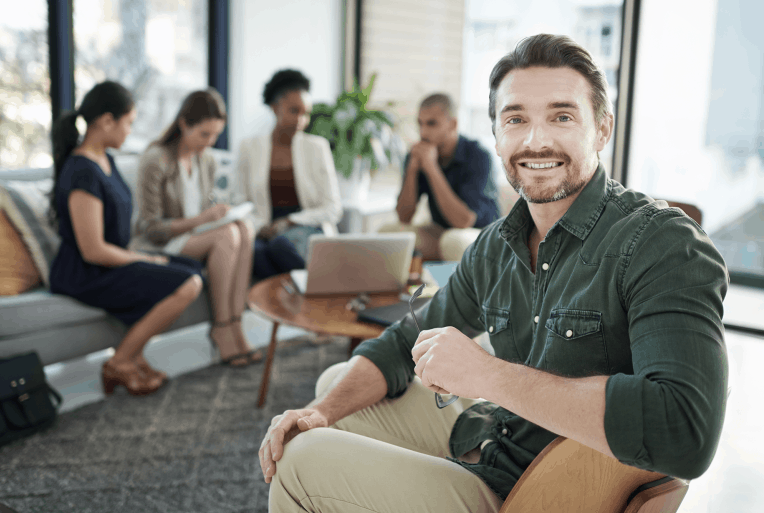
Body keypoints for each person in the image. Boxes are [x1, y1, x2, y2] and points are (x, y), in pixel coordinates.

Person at [257, 34, 730, 512]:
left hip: (530, 492)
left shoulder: (660, 243)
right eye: (516, 119)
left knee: (301, 459)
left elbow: (684, 433)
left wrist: (489, 375)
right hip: (493, 438)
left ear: (602, 129)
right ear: (498, 135)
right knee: (335, 390)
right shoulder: (497, 245)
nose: (535, 140)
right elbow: (405, 341)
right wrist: (318, 412)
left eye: (562, 116)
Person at [49, 81, 204, 396]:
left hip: (110, 261)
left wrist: (145, 257)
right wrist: (145, 259)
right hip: (85, 273)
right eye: (129, 123)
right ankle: (120, 362)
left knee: (191, 267)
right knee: (188, 283)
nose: (130, 131)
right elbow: (93, 250)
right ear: (107, 121)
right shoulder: (82, 171)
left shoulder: (106, 159)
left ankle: (134, 355)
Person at [132, 88, 262, 366]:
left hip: (197, 236)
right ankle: (222, 326)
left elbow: (205, 205)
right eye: (204, 134)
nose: (210, 142)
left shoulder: (207, 160)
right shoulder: (155, 159)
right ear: (183, 124)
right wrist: (203, 220)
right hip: (162, 242)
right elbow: (151, 228)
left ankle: (236, 324)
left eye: (215, 135)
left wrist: (218, 212)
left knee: (244, 227)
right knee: (228, 234)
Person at [236, 69, 342, 280]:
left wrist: (289, 221)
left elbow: (333, 208)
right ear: (275, 108)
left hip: (306, 228)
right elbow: (239, 202)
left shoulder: (317, 147)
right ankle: (285, 305)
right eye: (294, 111)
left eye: (306, 113)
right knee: (255, 253)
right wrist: (260, 226)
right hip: (263, 230)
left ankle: (313, 289)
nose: (301, 120)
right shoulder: (249, 148)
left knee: (280, 246)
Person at [380, 93, 501, 261]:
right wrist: (413, 169)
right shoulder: (419, 154)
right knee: (388, 234)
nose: (423, 132)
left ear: (453, 124)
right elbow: (404, 217)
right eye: (420, 123)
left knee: (452, 242)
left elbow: (463, 221)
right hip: (441, 232)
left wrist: (431, 168)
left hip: (482, 235)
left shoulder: (478, 155)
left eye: (431, 124)